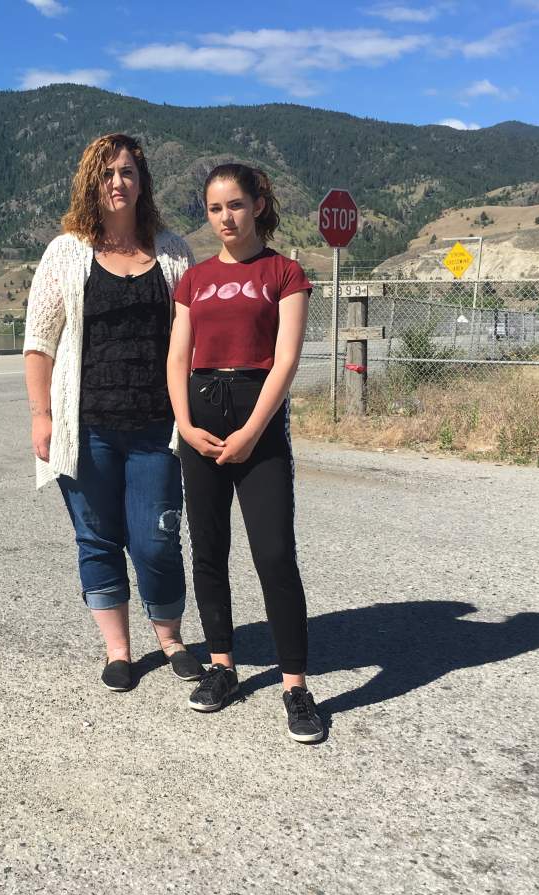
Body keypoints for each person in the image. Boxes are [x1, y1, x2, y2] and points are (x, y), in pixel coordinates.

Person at [22, 133, 200, 692]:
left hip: (158, 427)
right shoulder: (65, 252)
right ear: (90, 184)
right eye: (106, 174)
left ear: (142, 182)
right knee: (96, 538)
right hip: (87, 427)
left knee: (156, 539)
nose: (117, 182)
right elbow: (39, 342)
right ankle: (118, 650)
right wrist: (42, 415)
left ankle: (170, 640)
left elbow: (192, 340)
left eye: (126, 171)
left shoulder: (173, 253)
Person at [166, 163, 324, 742]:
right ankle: (222, 666)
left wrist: (255, 431)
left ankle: (295, 686)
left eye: (235, 205)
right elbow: (177, 356)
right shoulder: (194, 280)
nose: (225, 218)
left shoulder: (284, 273)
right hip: (201, 423)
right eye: (214, 209)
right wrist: (185, 425)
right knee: (208, 549)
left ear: (257, 205)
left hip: (259, 423)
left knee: (275, 553)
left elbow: (286, 360)